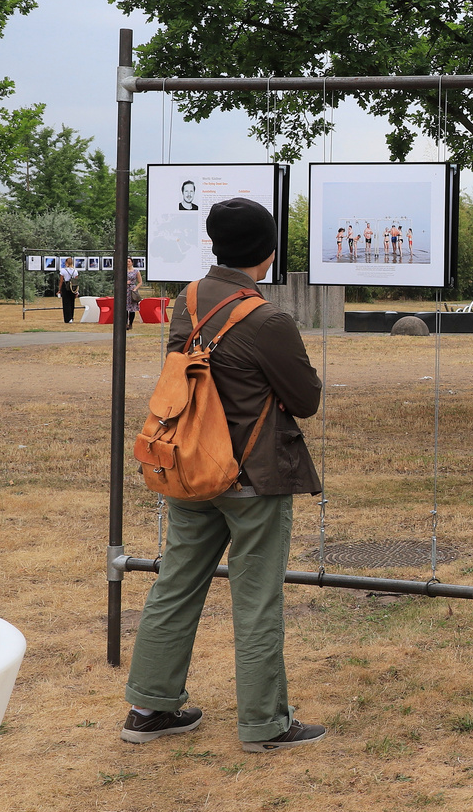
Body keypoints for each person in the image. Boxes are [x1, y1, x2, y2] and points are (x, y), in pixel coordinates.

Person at [121, 197, 328, 753]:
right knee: (257, 598)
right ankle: (266, 723)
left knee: (175, 584)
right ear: (269, 252)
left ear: (213, 244)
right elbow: (305, 400)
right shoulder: (269, 319)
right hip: (254, 478)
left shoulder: (188, 300)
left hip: (190, 465)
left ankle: (149, 707)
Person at [57, 259, 79, 323]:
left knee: (66, 303)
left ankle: (67, 318)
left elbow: (61, 281)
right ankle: (71, 317)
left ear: (66, 263)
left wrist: (59, 289)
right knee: (72, 302)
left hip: (65, 286)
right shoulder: (75, 271)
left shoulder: (63, 270)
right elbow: (76, 281)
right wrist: (76, 291)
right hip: (72, 287)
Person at [124, 258, 143, 330]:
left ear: (132, 263)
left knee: (132, 308)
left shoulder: (136, 271)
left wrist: (135, 289)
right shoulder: (123, 271)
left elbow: (140, 282)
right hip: (125, 290)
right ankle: (125, 324)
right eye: (127, 261)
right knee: (125, 308)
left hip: (132, 290)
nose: (128, 263)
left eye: (129, 261)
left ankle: (130, 324)